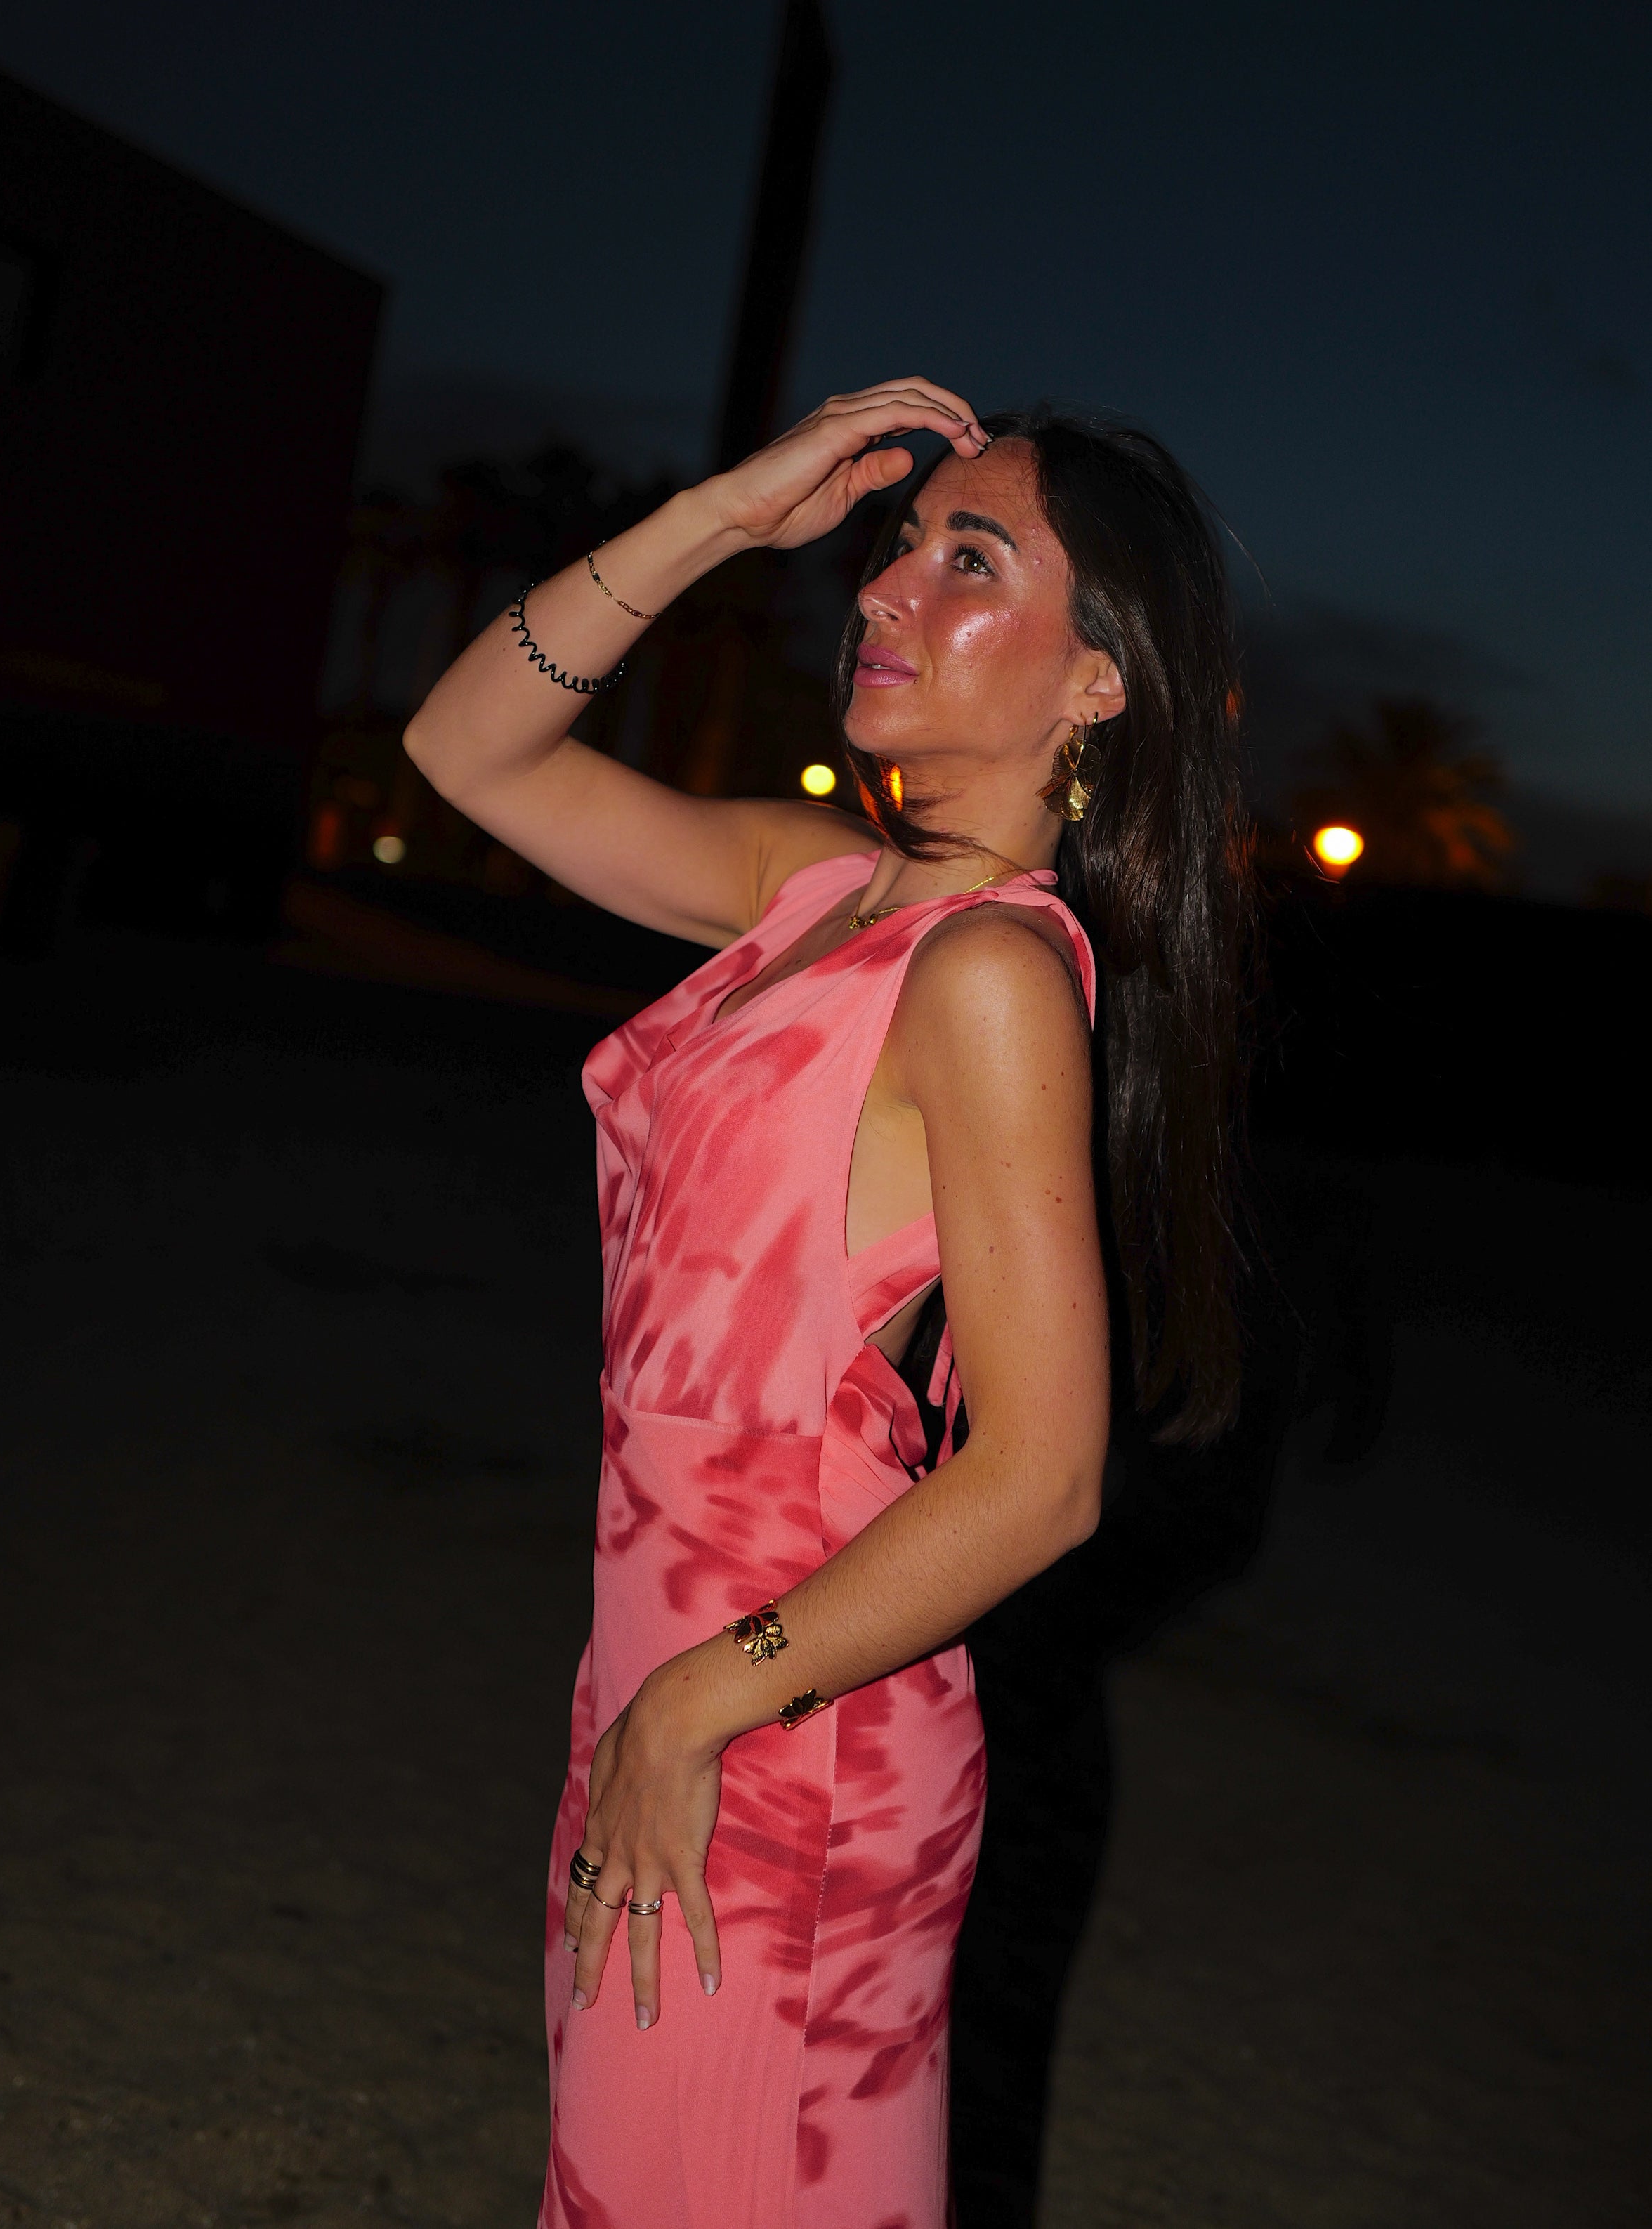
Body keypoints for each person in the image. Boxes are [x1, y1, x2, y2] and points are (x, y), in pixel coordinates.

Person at [404, 379, 1251, 2229]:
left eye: (971, 561)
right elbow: (467, 752)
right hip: (665, 1685)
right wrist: (722, 514)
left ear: (1097, 683)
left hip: (782, 1724)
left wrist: (697, 1707)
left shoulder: (987, 978)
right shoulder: (816, 894)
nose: (884, 587)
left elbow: (1042, 1476)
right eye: (898, 544)